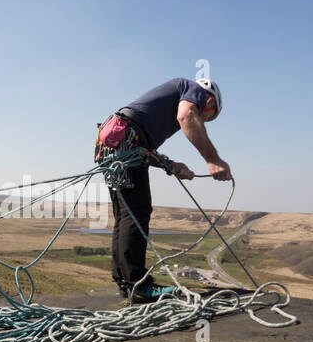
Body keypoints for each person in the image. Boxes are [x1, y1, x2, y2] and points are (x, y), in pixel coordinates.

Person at [93, 77, 233, 303]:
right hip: (127, 140)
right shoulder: (192, 89)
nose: (203, 121)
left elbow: (143, 148)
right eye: (207, 116)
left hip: (117, 141)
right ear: (209, 100)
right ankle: (137, 285)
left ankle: (125, 282)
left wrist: (173, 166)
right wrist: (213, 159)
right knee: (135, 214)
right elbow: (186, 116)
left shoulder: (158, 108)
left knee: (125, 215)